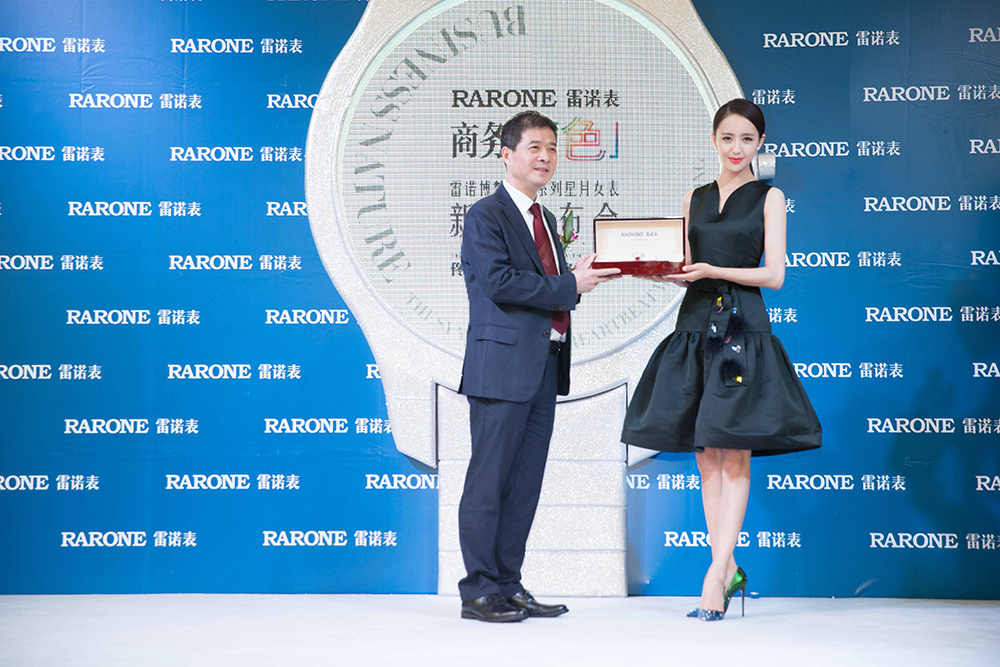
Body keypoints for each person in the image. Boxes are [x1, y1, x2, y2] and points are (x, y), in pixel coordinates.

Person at [621, 99, 822, 621]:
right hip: (694, 326)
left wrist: (715, 269)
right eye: (728, 138)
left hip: (742, 329)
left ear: (760, 144)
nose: (737, 148)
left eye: (747, 139)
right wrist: (661, 271)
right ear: (713, 140)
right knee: (706, 454)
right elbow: (687, 267)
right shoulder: (694, 197)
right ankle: (726, 567)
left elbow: (774, 274)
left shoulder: (770, 197)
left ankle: (714, 578)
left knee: (735, 453)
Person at [457, 110, 619, 622]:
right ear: (507, 154)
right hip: (500, 367)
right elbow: (500, 283)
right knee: (489, 483)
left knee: (524, 484)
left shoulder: (545, 218)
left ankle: (509, 585)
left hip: (543, 365)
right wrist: (570, 285)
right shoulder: (485, 215)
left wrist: (578, 278)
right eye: (534, 147)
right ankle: (478, 591)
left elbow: (550, 288)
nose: (546, 156)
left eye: (552, 147)